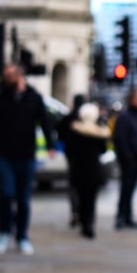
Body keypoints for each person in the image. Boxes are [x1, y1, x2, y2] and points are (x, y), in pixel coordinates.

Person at [0, 63, 55, 255]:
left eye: (9, 75)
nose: (6, 78)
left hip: (26, 155)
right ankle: (4, 233)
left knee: (23, 199)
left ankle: (22, 236)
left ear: (19, 75)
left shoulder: (34, 97)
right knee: (6, 194)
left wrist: (50, 145)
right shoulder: (0, 98)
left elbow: (45, 121)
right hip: (4, 155)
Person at [67, 102, 110, 239]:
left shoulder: (75, 131)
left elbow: (69, 150)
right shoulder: (98, 132)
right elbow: (104, 149)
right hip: (93, 169)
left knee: (81, 197)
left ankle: (83, 220)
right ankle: (89, 224)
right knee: (91, 199)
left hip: (79, 168)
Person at [111, 88, 137, 230]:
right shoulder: (125, 117)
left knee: (131, 189)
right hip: (129, 159)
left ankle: (128, 216)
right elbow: (120, 138)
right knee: (126, 188)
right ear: (133, 100)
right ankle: (121, 217)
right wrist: (128, 155)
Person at [57, 93, 86, 228]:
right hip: (84, 157)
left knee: (74, 185)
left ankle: (75, 212)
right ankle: (82, 212)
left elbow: (60, 135)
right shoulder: (85, 119)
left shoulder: (68, 118)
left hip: (72, 155)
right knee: (83, 186)